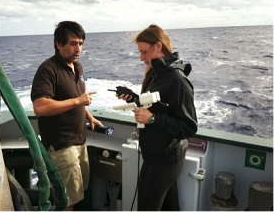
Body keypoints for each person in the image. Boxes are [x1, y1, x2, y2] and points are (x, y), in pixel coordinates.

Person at [117, 24, 197, 211]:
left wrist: (152, 119)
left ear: (158, 46)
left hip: (163, 160)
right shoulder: (158, 74)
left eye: (144, 52)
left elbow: (188, 127)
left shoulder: (177, 80)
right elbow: (161, 107)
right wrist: (135, 99)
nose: (141, 58)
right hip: (161, 156)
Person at [31, 21, 103, 211]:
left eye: (80, 43)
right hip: (61, 145)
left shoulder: (77, 67)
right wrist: (78, 102)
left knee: (77, 192)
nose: (77, 48)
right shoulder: (48, 70)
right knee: (67, 201)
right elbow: (40, 107)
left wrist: (89, 116)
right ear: (59, 44)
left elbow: (75, 98)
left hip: (80, 141)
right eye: (73, 43)